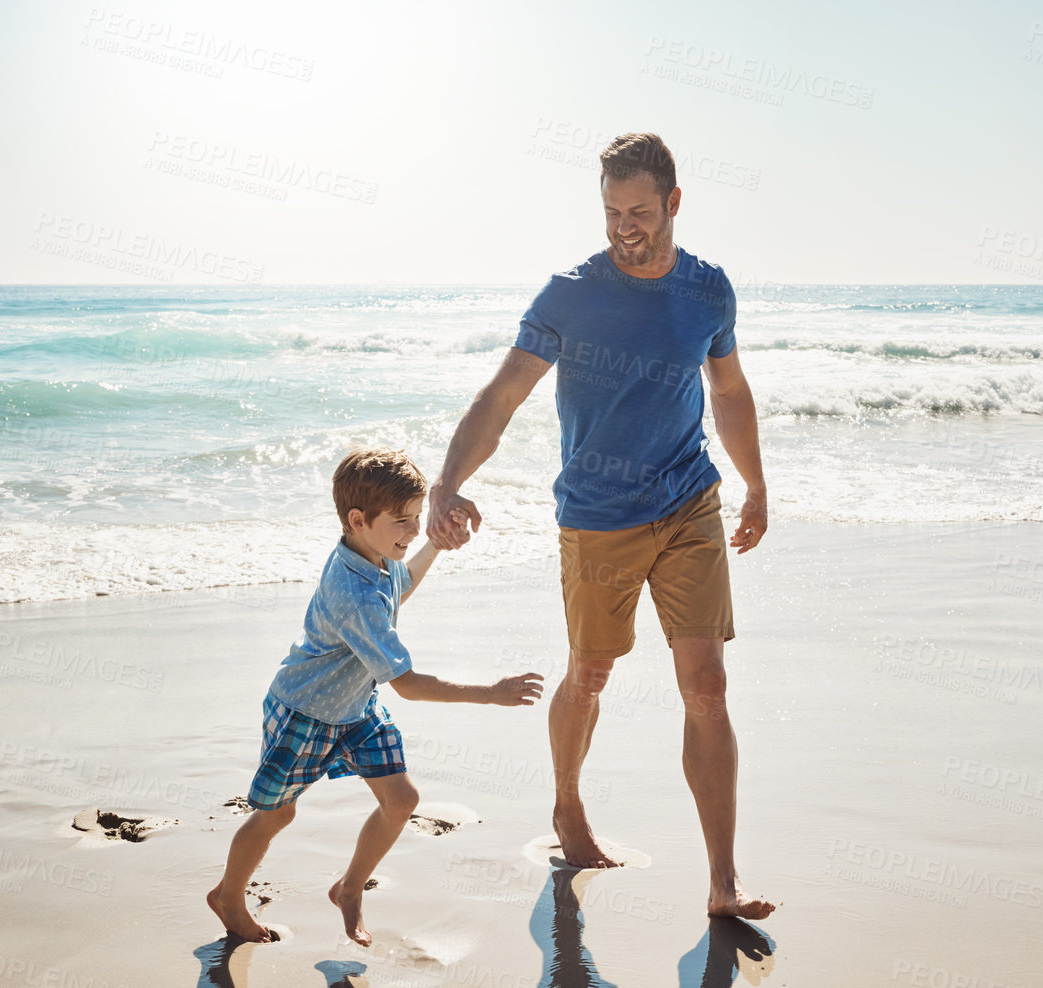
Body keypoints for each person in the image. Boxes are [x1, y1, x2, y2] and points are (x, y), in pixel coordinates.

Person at [426, 132, 775, 920]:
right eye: (613, 212)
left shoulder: (708, 291)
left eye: (641, 212)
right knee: (588, 674)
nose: (626, 227)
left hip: (689, 500)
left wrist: (754, 484)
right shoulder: (569, 294)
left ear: (675, 204)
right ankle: (567, 804)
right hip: (597, 517)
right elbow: (503, 395)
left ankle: (723, 880)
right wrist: (447, 483)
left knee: (707, 687)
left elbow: (729, 390)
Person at [207, 447, 544, 945]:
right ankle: (228, 896)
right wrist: (490, 693)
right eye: (403, 522)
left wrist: (433, 545)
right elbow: (406, 685)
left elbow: (399, 586)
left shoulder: (371, 554)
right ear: (358, 519)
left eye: (415, 517)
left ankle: (348, 887)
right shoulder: (355, 594)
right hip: (306, 711)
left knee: (402, 799)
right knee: (278, 812)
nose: (412, 529)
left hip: (356, 708)